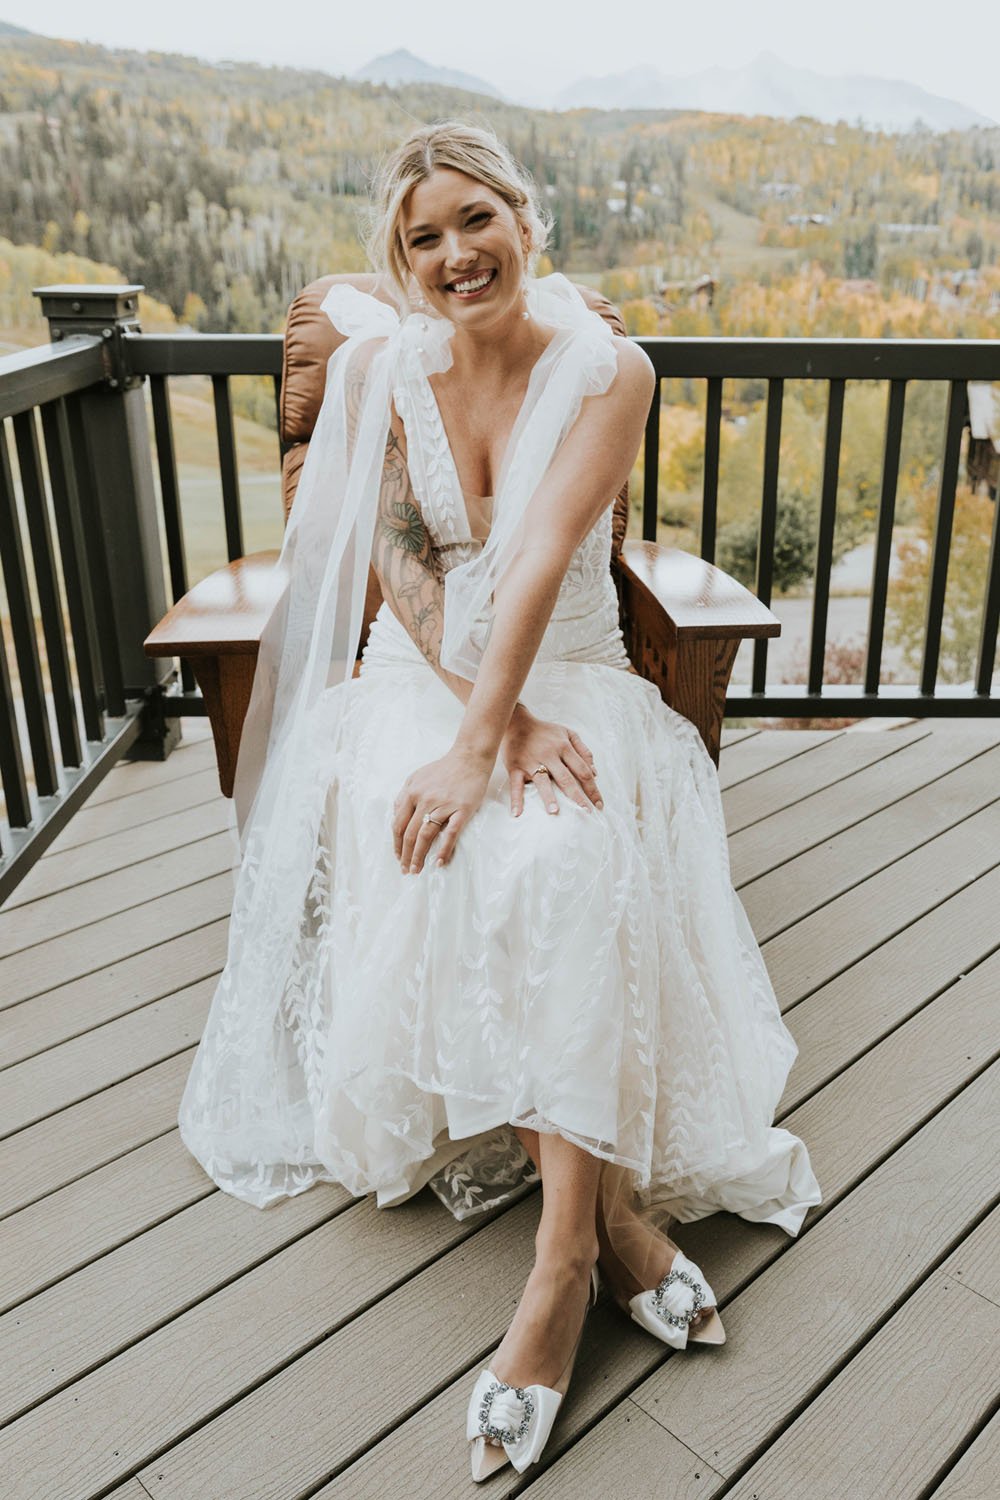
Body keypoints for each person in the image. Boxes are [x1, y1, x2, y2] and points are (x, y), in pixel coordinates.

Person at [177, 118, 821, 1482]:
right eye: (424, 237)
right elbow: (408, 567)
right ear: (399, 261)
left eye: (476, 219)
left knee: (561, 860)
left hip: (573, 671)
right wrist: (481, 724)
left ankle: (564, 1260)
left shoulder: (608, 368)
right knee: (459, 844)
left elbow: (530, 563)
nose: (455, 254)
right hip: (428, 681)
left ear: (526, 218)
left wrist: (508, 733)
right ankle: (622, 1223)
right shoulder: (381, 373)